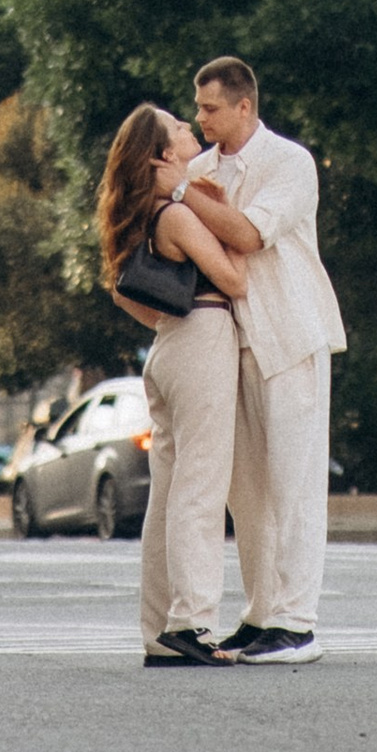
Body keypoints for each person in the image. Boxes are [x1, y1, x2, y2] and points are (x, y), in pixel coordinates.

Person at [170, 56, 345, 664]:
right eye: (197, 107)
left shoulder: (290, 163)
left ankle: (297, 623)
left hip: (290, 336)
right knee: (245, 492)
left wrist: (182, 188)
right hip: (225, 344)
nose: (201, 118)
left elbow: (247, 234)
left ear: (245, 106)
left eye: (211, 108)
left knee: (294, 484)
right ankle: (261, 613)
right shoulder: (196, 170)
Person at [99, 100, 247, 670]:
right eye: (180, 130)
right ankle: (192, 621)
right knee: (201, 487)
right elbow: (234, 279)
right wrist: (223, 214)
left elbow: (124, 294)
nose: (190, 131)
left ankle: (160, 631)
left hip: (168, 345)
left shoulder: (144, 216)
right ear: (164, 154)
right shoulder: (178, 213)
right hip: (204, 337)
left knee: (167, 496)